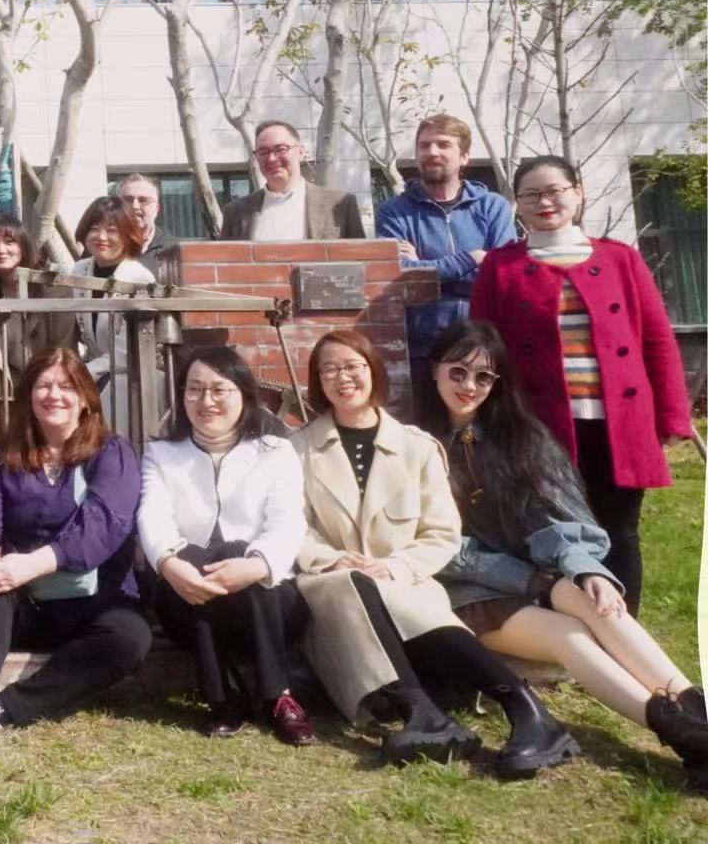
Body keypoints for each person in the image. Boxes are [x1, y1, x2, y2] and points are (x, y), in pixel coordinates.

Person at [419, 321, 708, 790]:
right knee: (570, 634)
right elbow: (438, 546)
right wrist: (531, 580)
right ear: (434, 372)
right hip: (470, 591)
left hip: (543, 576)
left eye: (483, 377)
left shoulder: (523, 439)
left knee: (593, 598)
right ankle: (680, 733)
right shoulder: (414, 445)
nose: (469, 387)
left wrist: (584, 568)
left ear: (498, 383)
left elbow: (557, 518)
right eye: (457, 372)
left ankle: (693, 712)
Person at [291, 328, 576, 777]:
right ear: (317, 381)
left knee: (411, 604)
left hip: (406, 579)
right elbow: (294, 526)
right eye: (329, 369)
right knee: (348, 586)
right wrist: (332, 558)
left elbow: (442, 532)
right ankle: (426, 714)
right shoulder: (297, 450)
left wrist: (396, 566)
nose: (342, 377)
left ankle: (526, 711)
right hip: (331, 581)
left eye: (352, 366)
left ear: (373, 373)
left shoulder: (417, 447)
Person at [469, 154, 690, 614]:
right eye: (531, 195)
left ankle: (625, 628)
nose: (544, 202)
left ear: (578, 192)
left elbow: (657, 339)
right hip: (540, 424)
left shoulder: (620, 258)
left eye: (554, 191)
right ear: (517, 204)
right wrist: (484, 417)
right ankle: (566, 626)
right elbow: (483, 344)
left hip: (619, 422)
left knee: (620, 528)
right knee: (553, 526)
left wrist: (672, 415)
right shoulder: (502, 266)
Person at [0, 349, 152, 767]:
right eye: (44, 385)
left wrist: (32, 562)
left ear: (86, 398)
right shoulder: (2, 457)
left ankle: (0, 709)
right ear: (29, 395)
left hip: (95, 599)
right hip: (27, 600)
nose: (55, 395)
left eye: (67, 386)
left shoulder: (111, 453)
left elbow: (106, 523)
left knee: (130, 639)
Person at [139, 347, 314, 745]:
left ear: (245, 396)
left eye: (220, 390)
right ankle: (224, 701)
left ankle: (276, 696)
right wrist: (169, 564)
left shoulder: (276, 452)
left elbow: (288, 521)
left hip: (268, 605)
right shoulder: (161, 455)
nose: (206, 401)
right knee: (196, 555)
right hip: (186, 597)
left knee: (238, 548)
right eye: (195, 390)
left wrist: (256, 565)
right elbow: (152, 517)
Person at [375, 114, 515, 378]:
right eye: (424, 146)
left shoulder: (493, 206)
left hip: (483, 342)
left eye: (443, 144)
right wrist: (473, 258)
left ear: (464, 156)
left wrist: (425, 268)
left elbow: (501, 272)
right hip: (422, 348)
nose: (432, 152)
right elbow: (401, 277)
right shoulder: (394, 212)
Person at [67, 197, 158, 430]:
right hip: (92, 372)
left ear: (128, 234)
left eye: (112, 230)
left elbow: (126, 352)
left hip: (128, 377)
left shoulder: (140, 278)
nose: (101, 237)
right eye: (94, 229)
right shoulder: (80, 270)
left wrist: (83, 372)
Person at [0, 215, 65, 442]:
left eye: (9, 241)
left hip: (46, 390)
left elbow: (64, 346)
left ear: (23, 246)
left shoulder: (50, 289)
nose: (0, 249)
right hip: (1, 397)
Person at [219, 121, 365, 241]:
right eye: (263, 152)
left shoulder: (340, 204)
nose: (271, 158)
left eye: (281, 149)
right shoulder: (236, 212)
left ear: (301, 152)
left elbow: (360, 262)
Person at [115, 174, 178, 280]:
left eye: (143, 200)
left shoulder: (175, 250)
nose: (135, 206)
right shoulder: (103, 247)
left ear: (156, 210)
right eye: (128, 200)